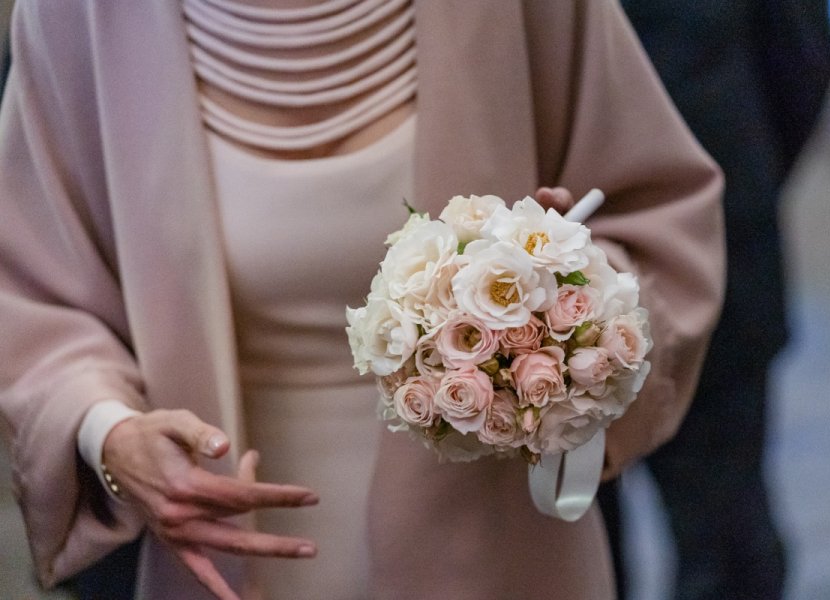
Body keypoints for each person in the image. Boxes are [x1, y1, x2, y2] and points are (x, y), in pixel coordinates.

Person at [0, 1, 724, 598]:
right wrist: (107, 433)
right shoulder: (80, 15)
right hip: (222, 566)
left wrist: (574, 309)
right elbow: (28, 292)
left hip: (495, 554)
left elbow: (659, 219)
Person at [598, 2, 830, 599]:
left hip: (721, 265)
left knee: (725, 538)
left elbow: (800, 60)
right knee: (573, 547)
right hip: (545, 276)